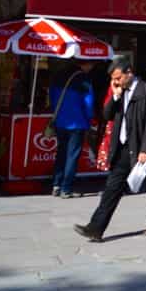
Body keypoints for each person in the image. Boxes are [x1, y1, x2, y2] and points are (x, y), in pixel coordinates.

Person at [74, 58, 146, 242]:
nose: (116, 82)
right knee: (112, 188)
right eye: (113, 79)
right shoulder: (120, 92)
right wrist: (115, 95)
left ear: (129, 72)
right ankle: (96, 228)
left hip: (140, 148)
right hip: (123, 147)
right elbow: (107, 115)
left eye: (119, 77)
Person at [50, 61, 96, 198]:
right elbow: (89, 102)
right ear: (85, 64)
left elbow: (52, 96)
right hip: (78, 122)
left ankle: (56, 185)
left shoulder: (59, 75)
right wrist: (90, 119)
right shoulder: (84, 79)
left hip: (60, 121)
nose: (91, 66)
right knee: (72, 155)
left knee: (61, 152)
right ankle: (66, 188)